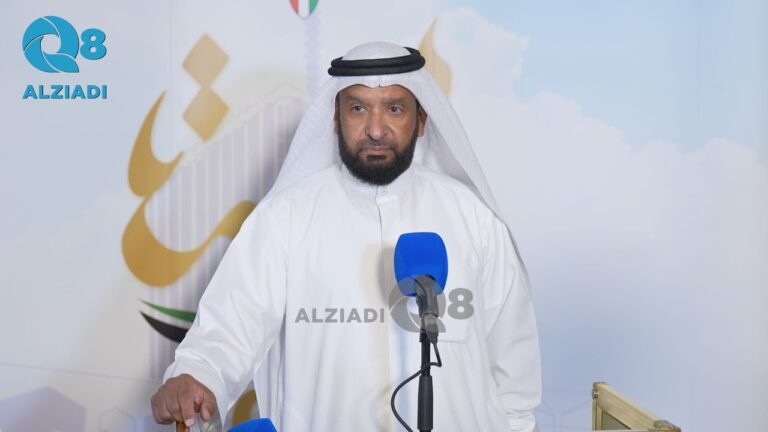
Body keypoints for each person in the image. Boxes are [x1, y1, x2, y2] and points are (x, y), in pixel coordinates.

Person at [151, 42, 541, 432]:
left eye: (394, 109)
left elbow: (513, 370)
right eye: (358, 109)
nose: (375, 129)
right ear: (336, 119)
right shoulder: (285, 218)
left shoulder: (473, 218)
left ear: (422, 121)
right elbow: (229, 329)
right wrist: (196, 375)